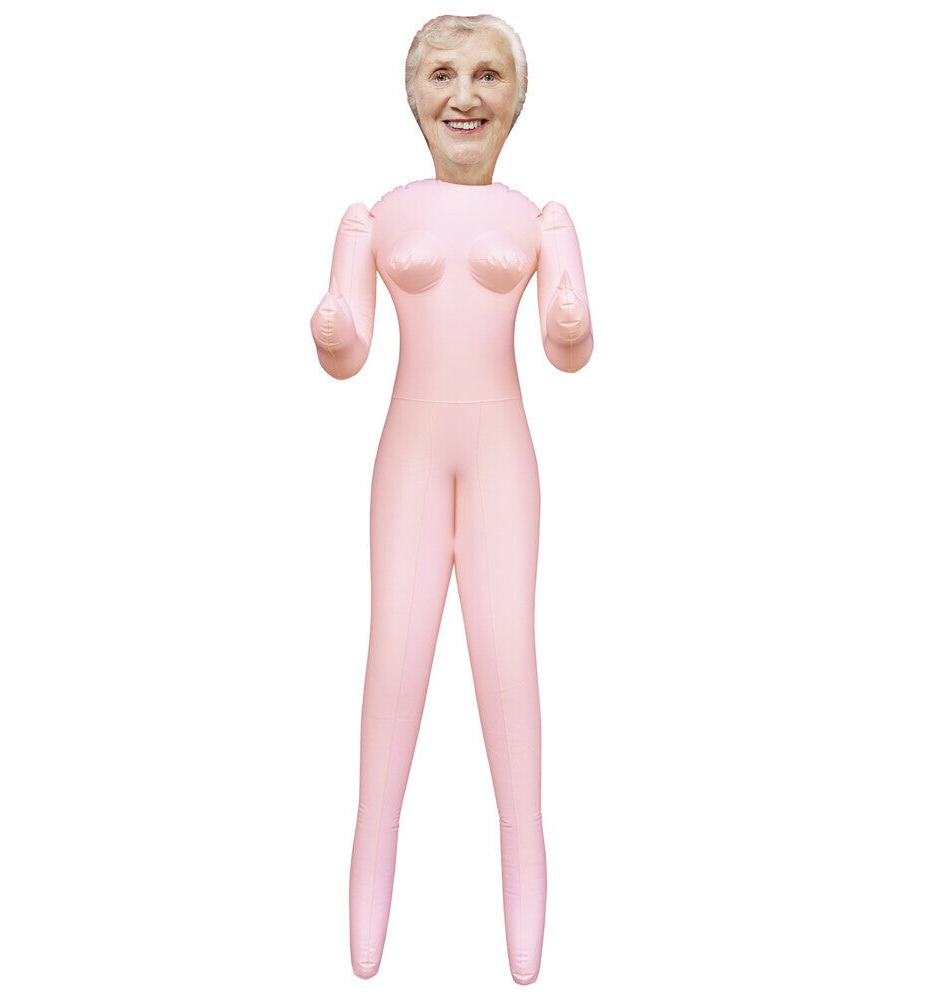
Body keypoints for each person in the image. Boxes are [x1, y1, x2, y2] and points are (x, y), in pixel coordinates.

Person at [309, 14, 593, 985]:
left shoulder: (541, 221)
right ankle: (367, 911)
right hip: (410, 459)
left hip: (504, 459)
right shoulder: (375, 219)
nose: (463, 94)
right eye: (441, 74)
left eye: (485, 75)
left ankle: (525, 914)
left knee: (507, 658)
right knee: (394, 659)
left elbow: (568, 348)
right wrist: (333, 325)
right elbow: (348, 353)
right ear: (412, 95)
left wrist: (570, 319)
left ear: (517, 98)